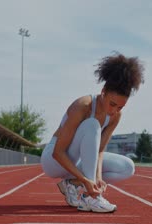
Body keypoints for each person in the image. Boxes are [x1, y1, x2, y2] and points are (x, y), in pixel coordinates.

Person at [40, 52, 145, 213]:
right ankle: (91, 198)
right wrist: (86, 180)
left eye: (120, 107)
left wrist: (98, 178)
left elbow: (100, 151)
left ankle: (72, 184)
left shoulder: (115, 116)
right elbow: (58, 152)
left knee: (127, 167)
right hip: (54, 161)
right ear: (103, 91)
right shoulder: (83, 106)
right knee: (92, 125)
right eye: (112, 104)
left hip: (79, 161)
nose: (114, 111)